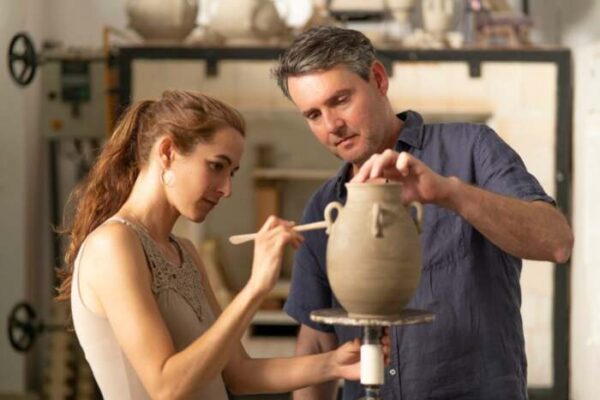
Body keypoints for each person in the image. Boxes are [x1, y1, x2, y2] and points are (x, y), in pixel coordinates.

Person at [272, 26, 574, 400]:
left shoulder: (471, 148)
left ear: (378, 79)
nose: (332, 125)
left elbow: (556, 242)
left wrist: (449, 193)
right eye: (313, 114)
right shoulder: (324, 205)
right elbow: (317, 344)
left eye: (341, 100)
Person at [55, 90, 388, 399]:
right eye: (216, 166)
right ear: (168, 152)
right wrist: (256, 288)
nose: (226, 189)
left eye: (232, 173)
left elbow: (239, 374)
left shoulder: (185, 252)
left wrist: (334, 363)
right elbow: (166, 386)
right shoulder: (114, 245)